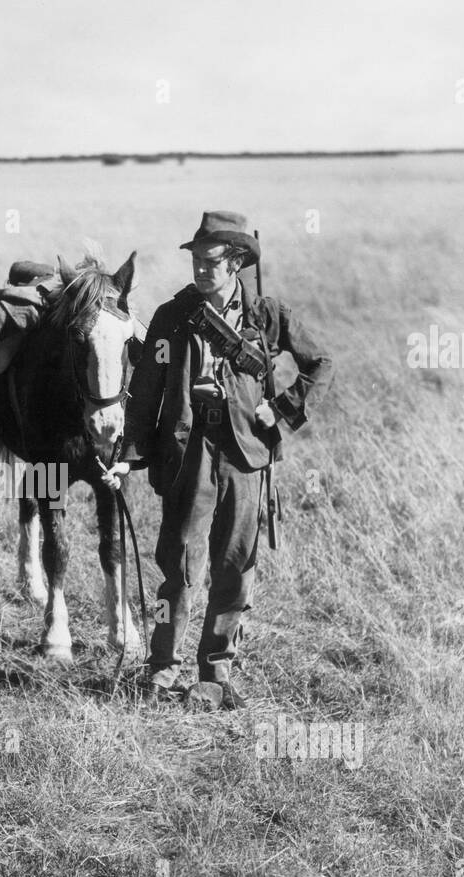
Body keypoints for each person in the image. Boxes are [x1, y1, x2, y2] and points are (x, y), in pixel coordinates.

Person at [106, 211, 334, 705]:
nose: (200, 270)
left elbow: (320, 363)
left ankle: (214, 671)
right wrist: (129, 456)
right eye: (196, 261)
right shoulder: (172, 316)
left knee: (234, 564)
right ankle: (162, 668)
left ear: (235, 263)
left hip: (246, 453)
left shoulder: (265, 316)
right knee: (179, 566)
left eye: (211, 262)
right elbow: (145, 392)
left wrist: (284, 409)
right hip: (189, 452)